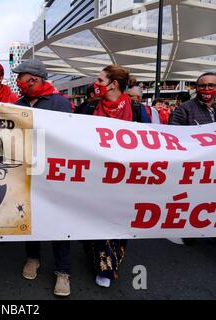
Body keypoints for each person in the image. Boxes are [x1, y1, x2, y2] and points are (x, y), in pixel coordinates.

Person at [76, 65, 150, 288]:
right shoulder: (88, 107)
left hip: (125, 178)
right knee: (95, 219)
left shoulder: (137, 110)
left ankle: (107, 265)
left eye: (100, 80)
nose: (96, 84)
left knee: (116, 222)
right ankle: (101, 263)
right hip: (94, 176)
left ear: (113, 84)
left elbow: (150, 142)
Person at [12, 58, 72, 297]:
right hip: (27, 174)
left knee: (58, 222)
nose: (18, 82)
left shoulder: (60, 104)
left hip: (54, 175)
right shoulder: (17, 104)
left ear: (34, 79)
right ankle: (33, 258)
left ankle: (63, 271)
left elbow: (69, 138)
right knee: (31, 219)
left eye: (21, 77)